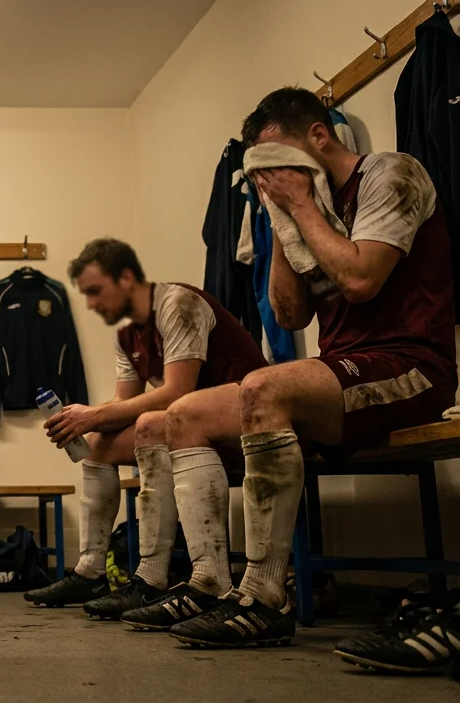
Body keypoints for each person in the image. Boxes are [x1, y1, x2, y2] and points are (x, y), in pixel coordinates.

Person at [164, 87, 455, 651]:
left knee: (264, 387)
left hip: (412, 366)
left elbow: (362, 279)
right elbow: (290, 314)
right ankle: (208, 584)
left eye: (278, 160)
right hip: (341, 371)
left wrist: (299, 205)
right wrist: (282, 220)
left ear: (319, 137)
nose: (271, 177)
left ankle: (264, 597)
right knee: (178, 417)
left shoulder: (391, 174)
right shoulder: (304, 211)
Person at [24, 239, 265, 622]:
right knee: (97, 445)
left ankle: (152, 578)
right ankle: (91, 572)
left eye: (96, 291)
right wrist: (79, 419)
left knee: (151, 424)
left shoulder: (177, 304)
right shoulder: (127, 334)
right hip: (190, 426)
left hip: (250, 418)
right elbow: (124, 403)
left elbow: (177, 392)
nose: (91, 303)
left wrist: (93, 415)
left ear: (126, 278)